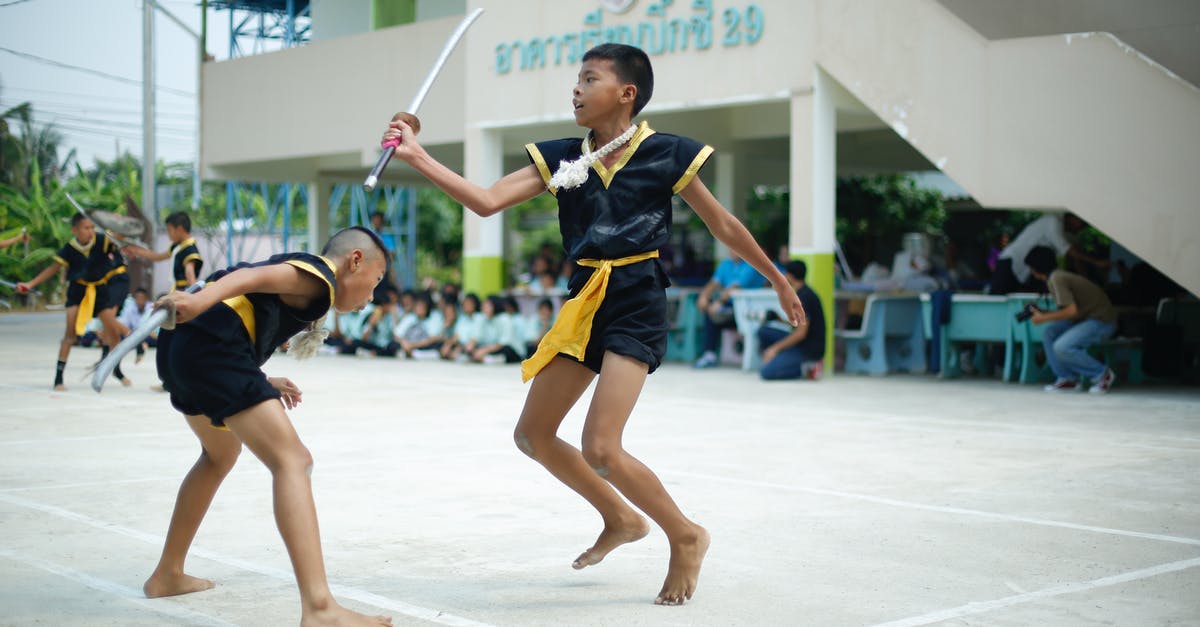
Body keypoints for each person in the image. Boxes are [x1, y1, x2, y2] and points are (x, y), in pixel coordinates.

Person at [381, 42, 803, 605]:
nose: (575, 90)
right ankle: (620, 518)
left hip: (637, 297)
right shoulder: (560, 157)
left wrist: (777, 279)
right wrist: (417, 157)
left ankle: (686, 534)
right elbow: (485, 201)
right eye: (576, 80)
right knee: (532, 435)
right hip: (584, 299)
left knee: (602, 447)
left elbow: (723, 225)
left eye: (589, 79)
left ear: (626, 93)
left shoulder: (667, 152)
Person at [144, 226, 392, 626]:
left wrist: (262, 380)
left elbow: (242, 312)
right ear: (355, 260)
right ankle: (320, 608)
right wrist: (198, 299)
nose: (372, 295)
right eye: (375, 281)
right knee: (293, 461)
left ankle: (167, 574)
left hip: (183, 350)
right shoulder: (320, 275)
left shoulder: (311, 285)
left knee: (219, 454)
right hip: (208, 348)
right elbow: (249, 278)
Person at [17, 214, 129, 390]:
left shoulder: (102, 240)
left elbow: (120, 236)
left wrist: (119, 224)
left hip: (100, 290)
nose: (90, 231)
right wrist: (30, 284)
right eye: (86, 228)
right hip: (78, 291)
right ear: (74, 230)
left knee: (114, 334)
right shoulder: (69, 248)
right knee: (70, 335)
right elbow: (53, 269)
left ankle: (116, 369)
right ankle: (58, 378)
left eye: (92, 227)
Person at [1024, 246, 1118, 394]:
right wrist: (1044, 312)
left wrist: (1043, 318)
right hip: (1085, 320)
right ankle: (1067, 379)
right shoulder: (1055, 277)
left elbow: (1071, 311)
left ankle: (1102, 374)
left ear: (1036, 268)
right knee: (1050, 333)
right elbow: (1068, 311)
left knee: (1062, 347)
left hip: (1102, 321)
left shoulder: (1057, 278)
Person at [991, 213, 1108, 294]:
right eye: (1082, 225)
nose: (1081, 229)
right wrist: (1096, 262)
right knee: (997, 300)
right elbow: (1068, 250)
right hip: (1010, 262)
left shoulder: (1069, 234)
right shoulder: (1053, 221)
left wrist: (1087, 283)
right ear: (1074, 218)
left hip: (1028, 272)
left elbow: (1076, 259)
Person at [692, 252, 767, 368]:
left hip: (750, 312)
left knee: (715, 311)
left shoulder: (751, 264)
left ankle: (711, 353)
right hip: (731, 308)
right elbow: (713, 283)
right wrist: (703, 296)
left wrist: (719, 302)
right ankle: (709, 355)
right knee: (711, 312)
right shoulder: (726, 264)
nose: (732, 251)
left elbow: (735, 287)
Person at [757, 260, 826, 380]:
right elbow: (798, 325)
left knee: (766, 373)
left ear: (790, 276)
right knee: (764, 331)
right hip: (801, 343)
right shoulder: (803, 292)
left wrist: (775, 348)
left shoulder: (804, 297)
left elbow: (800, 333)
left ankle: (808, 367)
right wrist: (779, 319)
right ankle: (782, 359)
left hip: (807, 349)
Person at [125, 211, 204, 291]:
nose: (168, 234)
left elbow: (189, 273)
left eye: (169, 230)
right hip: (177, 290)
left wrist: (193, 293)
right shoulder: (177, 246)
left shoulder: (190, 249)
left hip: (184, 291)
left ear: (179, 229)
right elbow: (158, 257)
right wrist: (136, 250)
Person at [117, 287, 157, 362]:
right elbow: (124, 325)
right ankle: (141, 344)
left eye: (142, 298)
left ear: (146, 298)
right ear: (134, 299)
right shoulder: (129, 309)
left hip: (149, 336)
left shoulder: (151, 307)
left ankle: (141, 344)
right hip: (133, 335)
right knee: (121, 336)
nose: (140, 300)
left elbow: (154, 328)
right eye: (138, 298)